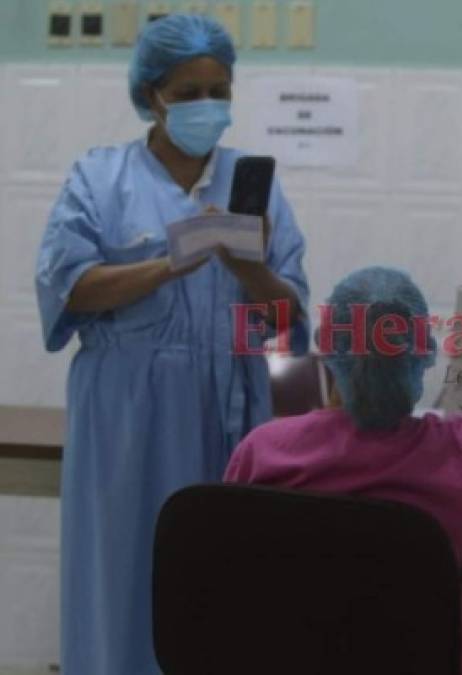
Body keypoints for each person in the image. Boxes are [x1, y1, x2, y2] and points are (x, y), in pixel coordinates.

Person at [34, 14, 309, 675]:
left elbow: (288, 318)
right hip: (125, 422)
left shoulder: (255, 183)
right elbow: (66, 287)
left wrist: (246, 265)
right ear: (151, 94)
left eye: (219, 88)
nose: (205, 105)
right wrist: (169, 259)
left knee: (220, 584)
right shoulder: (99, 180)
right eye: (187, 92)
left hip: (229, 413)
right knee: (121, 576)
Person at [225, 267, 462, 675]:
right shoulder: (456, 451)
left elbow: (232, 582)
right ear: (423, 354)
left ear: (325, 348)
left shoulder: (261, 451)